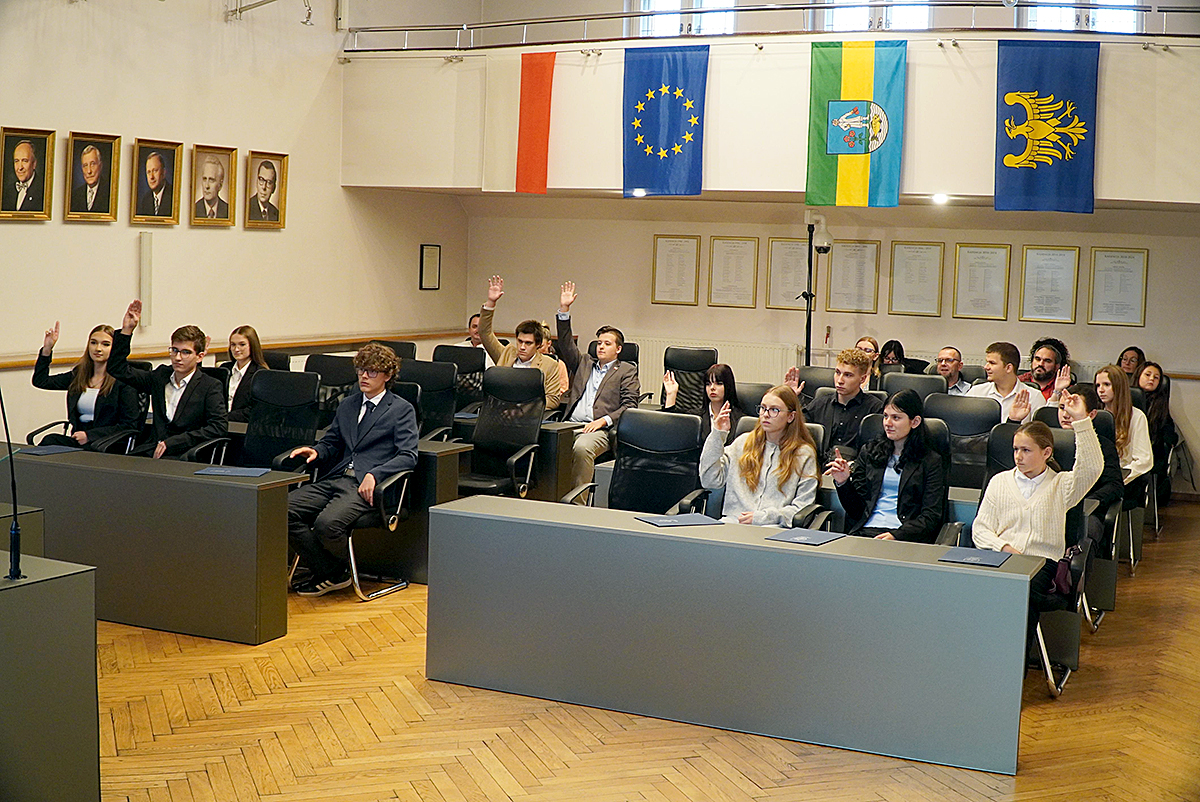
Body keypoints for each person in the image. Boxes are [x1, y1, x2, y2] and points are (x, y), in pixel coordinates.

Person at [972, 393, 1102, 651]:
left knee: (1022, 592)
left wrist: (1081, 422)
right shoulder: (999, 482)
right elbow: (980, 529)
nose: (1018, 456)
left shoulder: (1061, 485)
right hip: (1001, 558)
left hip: (1041, 564)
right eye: (1015, 450)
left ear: (1046, 452)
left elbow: (1091, 469)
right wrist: (1004, 547)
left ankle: (1012, 658)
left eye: (1026, 450)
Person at [287, 343, 418, 596]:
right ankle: (333, 571)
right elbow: (332, 441)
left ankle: (331, 572)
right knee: (282, 509)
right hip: (336, 477)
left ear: (387, 375)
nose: (364, 376)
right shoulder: (348, 404)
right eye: (361, 370)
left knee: (327, 524)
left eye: (372, 371)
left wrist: (375, 474)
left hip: (365, 485)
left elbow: (408, 456)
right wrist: (316, 451)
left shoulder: (401, 409)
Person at [555, 281, 641, 504]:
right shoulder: (584, 363)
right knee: (544, 441)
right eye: (599, 342)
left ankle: (577, 504)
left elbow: (630, 406)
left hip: (600, 430)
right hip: (570, 424)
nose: (601, 346)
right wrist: (564, 310)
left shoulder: (626, 370)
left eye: (607, 343)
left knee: (582, 448)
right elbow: (565, 343)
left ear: (618, 349)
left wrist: (603, 421)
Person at [107, 300, 227, 459]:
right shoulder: (160, 376)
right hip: (152, 449)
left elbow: (218, 427)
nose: (177, 357)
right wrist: (127, 331)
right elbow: (117, 369)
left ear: (199, 357)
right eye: (174, 350)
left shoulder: (210, 386)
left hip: (186, 452)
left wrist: (174, 442)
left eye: (185, 352)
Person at [826, 389, 945, 543]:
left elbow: (930, 516)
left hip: (904, 536)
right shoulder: (869, 452)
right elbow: (856, 511)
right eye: (886, 416)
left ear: (915, 422)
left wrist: (897, 535)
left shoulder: (930, 461)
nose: (888, 423)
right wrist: (843, 482)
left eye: (896, 418)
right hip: (866, 531)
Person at [699, 385, 818, 526]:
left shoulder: (803, 454)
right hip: (734, 523)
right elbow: (709, 480)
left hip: (774, 527)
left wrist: (763, 517)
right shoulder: (742, 443)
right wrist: (717, 435)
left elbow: (802, 508)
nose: (766, 414)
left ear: (790, 416)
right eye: (763, 408)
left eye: (774, 410)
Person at [31, 322, 140, 449]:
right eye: (93, 343)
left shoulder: (124, 380)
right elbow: (41, 381)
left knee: (53, 444)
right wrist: (47, 349)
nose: (98, 348)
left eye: (105, 344)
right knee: (50, 440)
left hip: (107, 443)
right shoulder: (79, 375)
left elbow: (129, 425)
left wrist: (89, 436)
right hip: (79, 440)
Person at [785, 347, 883, 465]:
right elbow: (794, 426)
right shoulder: (820, 404)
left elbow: (876, 452)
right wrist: (789, 398)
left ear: (862, 379)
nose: (840, 380)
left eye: (848, 375)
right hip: (820, 467)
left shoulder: (875, 409)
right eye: (837, 373)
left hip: (856, 470)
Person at [477, 276, 563, 409]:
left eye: (528, 343)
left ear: (538, 345)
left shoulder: (549, 365)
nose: (522, 347)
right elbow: (485, 333)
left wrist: (522, 406)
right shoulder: (507, 354)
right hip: (500, 411)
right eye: (520, 341)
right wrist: (491, 303)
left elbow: (553, 400)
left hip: (528, 414)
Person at [1057, 383, 1124, 551]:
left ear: (1091, 414)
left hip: (1087, 511)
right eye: (1062, 407)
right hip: (1052, 508)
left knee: (1087, 532)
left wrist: (1086, 503)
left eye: (1073, 408)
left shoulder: (1103, 445)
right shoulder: (1047, 442)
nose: (1066, 414)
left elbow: (1114, 486)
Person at [1094, 365, 1153, 488]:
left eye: (1106, 384)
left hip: (1124, 479)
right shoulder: (1096, 414)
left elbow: (1144, 461)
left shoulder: (1137, 416)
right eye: (1098, 385)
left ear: (1119, 387)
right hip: (1097, 476)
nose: (1101, 390)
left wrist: (1118, 478)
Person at [966, 341, 1045, 423]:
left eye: (992, 363)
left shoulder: (1034, 397)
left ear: (1008, 368)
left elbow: (1040, 430)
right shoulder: (976, 392)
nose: (986, 367)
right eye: (987, 362)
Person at [663, 363, 742, 443]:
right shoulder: (695, 418)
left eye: (719, 383)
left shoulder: (740, 420)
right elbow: (670, 425)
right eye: (708, 384)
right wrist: (671, 394)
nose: (712, 388)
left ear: (728, 386)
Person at [1136, 361, 1177, 507]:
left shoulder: (1160, 404)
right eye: (1147, 375)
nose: (1151, 379)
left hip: (1150, 451)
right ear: (1138, 376)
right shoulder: (1127, 398)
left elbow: (1170, 434)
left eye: (1156, 377)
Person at [219, 325, 269, 423]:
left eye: (242, 345)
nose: (236, 349)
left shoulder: (260, 374)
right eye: (233, 345)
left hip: (242, 426)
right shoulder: (225, 369)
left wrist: (223, 417)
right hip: (220, 424)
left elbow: (254, 411)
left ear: (252, 346)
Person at [1018, 337, 1069, 401]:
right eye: (1037, 359)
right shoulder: (1018, 381)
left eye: (1047, 361)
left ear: (1057, 366)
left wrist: (1058, 391)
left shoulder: (1064, 388)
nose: (1040, 364)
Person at [3, 140, 42, 212]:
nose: (20, 167)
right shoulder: (9, 191)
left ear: (34, 164)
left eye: (25, 161)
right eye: (16, 161)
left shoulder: (43, 190)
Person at [69, 144, 109, 214]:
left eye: (93, 164)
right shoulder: (75, 195)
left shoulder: (110, 192)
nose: (89, 171)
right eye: (85, 165)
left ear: (100, 166)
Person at [135, 151, 173, 217]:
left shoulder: (174, 196)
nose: (151, 177)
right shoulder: (146, 200)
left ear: (163, 173)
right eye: (149, 172)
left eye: (155, 171)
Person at [538, 322, 569, 397]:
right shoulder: (529, 361)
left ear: (549, 343)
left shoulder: (559, 364)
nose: (537, 350)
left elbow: (563, 390)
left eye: (541, 347)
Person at [193, 155, 229, 220]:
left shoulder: (228, 211)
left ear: (220, 185)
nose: (206, 186)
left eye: (211, 180)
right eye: (204, 179)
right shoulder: (193, 209)